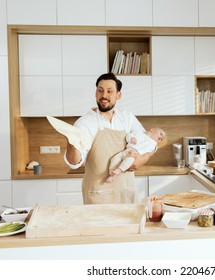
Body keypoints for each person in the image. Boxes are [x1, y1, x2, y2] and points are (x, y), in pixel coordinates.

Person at [64, 73, 153, 204]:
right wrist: (71, 143)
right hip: (98, 196)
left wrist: (142, 159)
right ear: (95, 93)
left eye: (109, 91)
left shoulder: (127, 118)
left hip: (126, 194)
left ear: (118, 95)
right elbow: (74, 162)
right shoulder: (84, 123)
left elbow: (149, 143)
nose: (104, 95)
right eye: (100, 90)